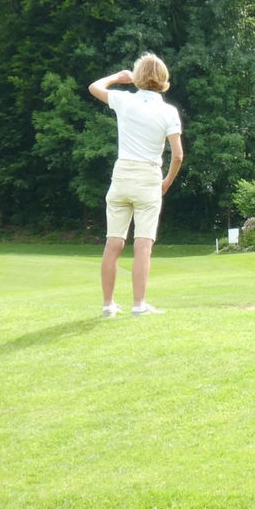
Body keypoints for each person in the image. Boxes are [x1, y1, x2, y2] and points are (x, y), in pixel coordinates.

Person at [88, 52, 183, 317]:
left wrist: (118, 77)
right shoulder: (168, 112)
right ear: (163, 79)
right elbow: (178, 155)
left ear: (137, 77)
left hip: (122, 174)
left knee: (113, 242)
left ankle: (108, 305)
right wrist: (167, 182)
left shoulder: (124, 100)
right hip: (149, 177)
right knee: (143, 244)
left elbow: (94, 87)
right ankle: (139, 305)